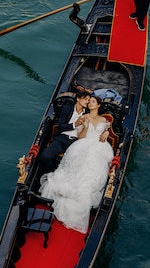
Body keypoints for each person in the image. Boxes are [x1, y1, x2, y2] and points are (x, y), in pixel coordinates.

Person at [40, 95, 113, 234]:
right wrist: (85, 127)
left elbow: (106, 131)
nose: (89, 103)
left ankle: (90, 185)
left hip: (99, 146)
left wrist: (107, 132)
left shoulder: (104, 120)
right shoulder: (84, 117)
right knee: (88, 154)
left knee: (95, 156)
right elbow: (80, 137)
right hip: (83, 143)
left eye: (92, 102)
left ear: (98, 105)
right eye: (88, 101)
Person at [38, 90, 90, 175]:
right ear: (78, 99)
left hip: (76, 142)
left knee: (74, 164)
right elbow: (61, 126)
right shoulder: (67, 108)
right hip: (61, 139)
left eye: (88, 100)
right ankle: (52, 174)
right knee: (44, 157)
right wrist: (75, 124)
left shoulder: (88, 113)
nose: (87, 102)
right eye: (85, 99)